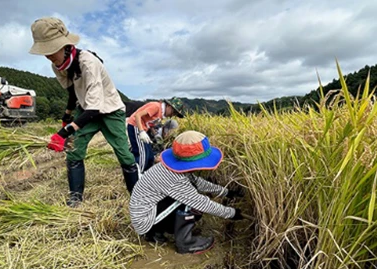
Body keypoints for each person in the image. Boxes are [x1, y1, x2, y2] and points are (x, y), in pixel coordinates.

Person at [29, 17, 139, 207]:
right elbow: (72, 90)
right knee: (74, 152)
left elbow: (94, 110)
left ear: (64, 45)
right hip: (86, 109)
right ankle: (75, 198)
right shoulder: (58, 66)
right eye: (44, 52)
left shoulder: (89, 62)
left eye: (50, 50)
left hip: (109, 110)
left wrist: (63, 133)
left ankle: (137, 197)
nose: (48, 56)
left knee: (124, 154)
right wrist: (67, 114)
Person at [129, 130, 244, 254]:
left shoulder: (172, 168)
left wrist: (226, 192)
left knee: (192, 192)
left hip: (149, 210)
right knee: (192, 204)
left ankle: (157, 233)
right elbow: (202, 203)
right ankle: (185, 243)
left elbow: (198, 182)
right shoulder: (173, 179)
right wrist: (232, 213)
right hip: (145, 220)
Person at [126, 97, 184, 174]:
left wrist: (155, 135)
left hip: (143, 129)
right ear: (169, 106)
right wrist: (141, 131)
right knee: (143, 154)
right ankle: (138, 175)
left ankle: (147, 173)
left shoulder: (160, 114)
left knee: (149, 154)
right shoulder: (156, 107)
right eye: (173, 112)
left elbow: (150, 123)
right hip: (135, 126)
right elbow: (138, 115)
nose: (171, 115)